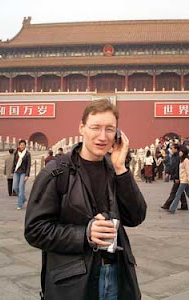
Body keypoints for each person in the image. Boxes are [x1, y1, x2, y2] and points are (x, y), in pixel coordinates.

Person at [25, 99, 146, 300]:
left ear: (117, 134)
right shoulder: (56, 172)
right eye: (95, 128)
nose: (102, 136)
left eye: (109, 129)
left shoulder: (114, 169)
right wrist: (85, 234)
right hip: (74, 283)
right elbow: (34, 230)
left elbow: (136, 216)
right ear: (82, 128)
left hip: (118, 275)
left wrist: (121, 169)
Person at [169, 145, 189, 213]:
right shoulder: (182, 160)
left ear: (184, 152)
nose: (179, 153)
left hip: (184, 180)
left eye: (181, 152)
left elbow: (188, 171)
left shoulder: (186, 161)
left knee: (178, 194)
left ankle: (172, 209)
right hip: (183, 179)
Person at [161, 144, 188, 210]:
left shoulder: (178, 157)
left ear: (176, 149)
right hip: (176, 176)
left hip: (178, 177)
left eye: (172, 148)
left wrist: (177, 177)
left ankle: (167, 205)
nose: (171, 150)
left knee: (173, 192)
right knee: (181, 192)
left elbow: (178, 168)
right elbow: (171, 166)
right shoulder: (174, 156)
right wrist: (168, 172)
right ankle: (184, 206)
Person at [12, 140, 31, 210]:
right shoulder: (16, 153)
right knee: (15, 187)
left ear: (25, 146)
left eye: (23, 145)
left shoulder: (27, 154)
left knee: (21, 188)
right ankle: (23, 198)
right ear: (19, 145)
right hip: (16, 172)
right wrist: (12, 171)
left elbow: (28, 165)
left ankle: (19, 204)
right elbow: (14, 162)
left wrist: (27, 175)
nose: (22, 146)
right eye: (21, 145)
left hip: (23, 172)